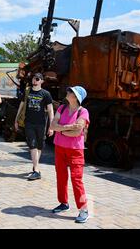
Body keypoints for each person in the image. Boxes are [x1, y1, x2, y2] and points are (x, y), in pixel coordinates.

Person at [49, 86, 90, 223]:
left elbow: (78, 130)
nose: (67, 92)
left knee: (76, 180)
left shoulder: (83, 112)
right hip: (60, 148)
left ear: (76, 97)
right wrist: (67, 129)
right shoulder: (61, 108)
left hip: (75, 150)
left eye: (70, 92)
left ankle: (84, 210)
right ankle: (63, 203)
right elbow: (53, 125)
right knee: (61, 176)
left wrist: (61, 129)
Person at [14, 73, 54, 181]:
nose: (34, 80)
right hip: (29, 123)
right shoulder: (28, 92)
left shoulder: (46, 94)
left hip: (41, 124)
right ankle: (36, 170)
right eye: (33, 79)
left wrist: (51, 126)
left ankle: (35, 165)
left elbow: (50, 110)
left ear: (41, 81)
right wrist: (16, 120)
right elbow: (21, 106)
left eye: (37, 79)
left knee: (39, 146)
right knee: (32, 145)